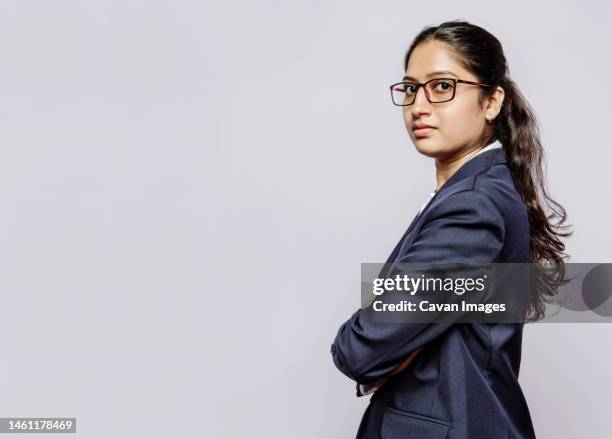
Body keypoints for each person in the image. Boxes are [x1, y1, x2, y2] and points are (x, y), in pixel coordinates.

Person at [331, 20, 572, 439]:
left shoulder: (472, 204)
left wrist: (373, 319)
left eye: (442, 86)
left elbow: (361, 348)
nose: (419, 106)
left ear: (492, 101)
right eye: (410, 88)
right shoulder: (480, 190)